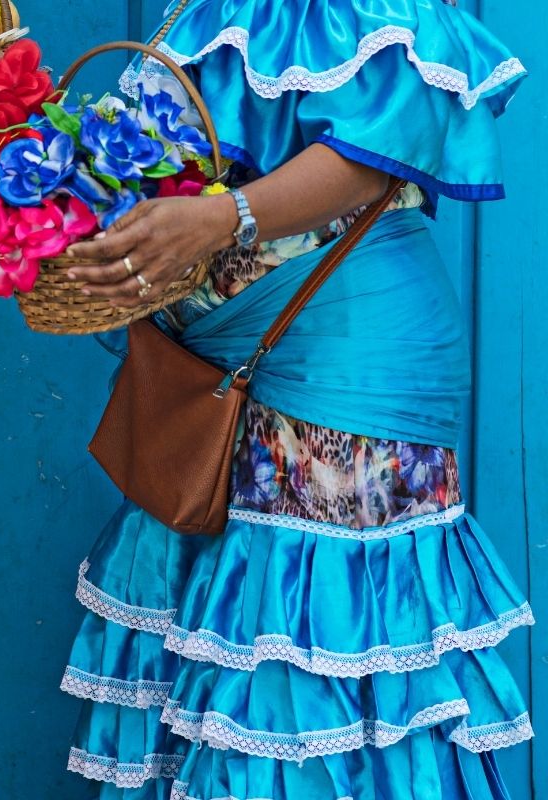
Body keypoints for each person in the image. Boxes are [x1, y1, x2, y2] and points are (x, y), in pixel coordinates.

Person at [59, 0, 533, 797]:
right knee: (227, 640)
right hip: (209, 367)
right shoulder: (203, 11)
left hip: (343, 352)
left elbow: (380, 144)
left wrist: (223, 218)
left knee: (319, 636)